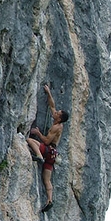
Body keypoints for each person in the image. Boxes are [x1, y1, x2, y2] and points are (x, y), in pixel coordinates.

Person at [27, 84, 69, 212]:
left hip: (48, 150)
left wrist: (38, 133)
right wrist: (49, 92)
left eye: (58, 113)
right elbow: (52, 105)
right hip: (53, 155)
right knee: (46, 179)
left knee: (30, 140)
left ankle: (39, 156)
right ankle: (50, 200)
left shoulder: (57, 127)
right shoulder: (57, 121)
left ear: (59, 118)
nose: (55, 113)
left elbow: (46, 140)